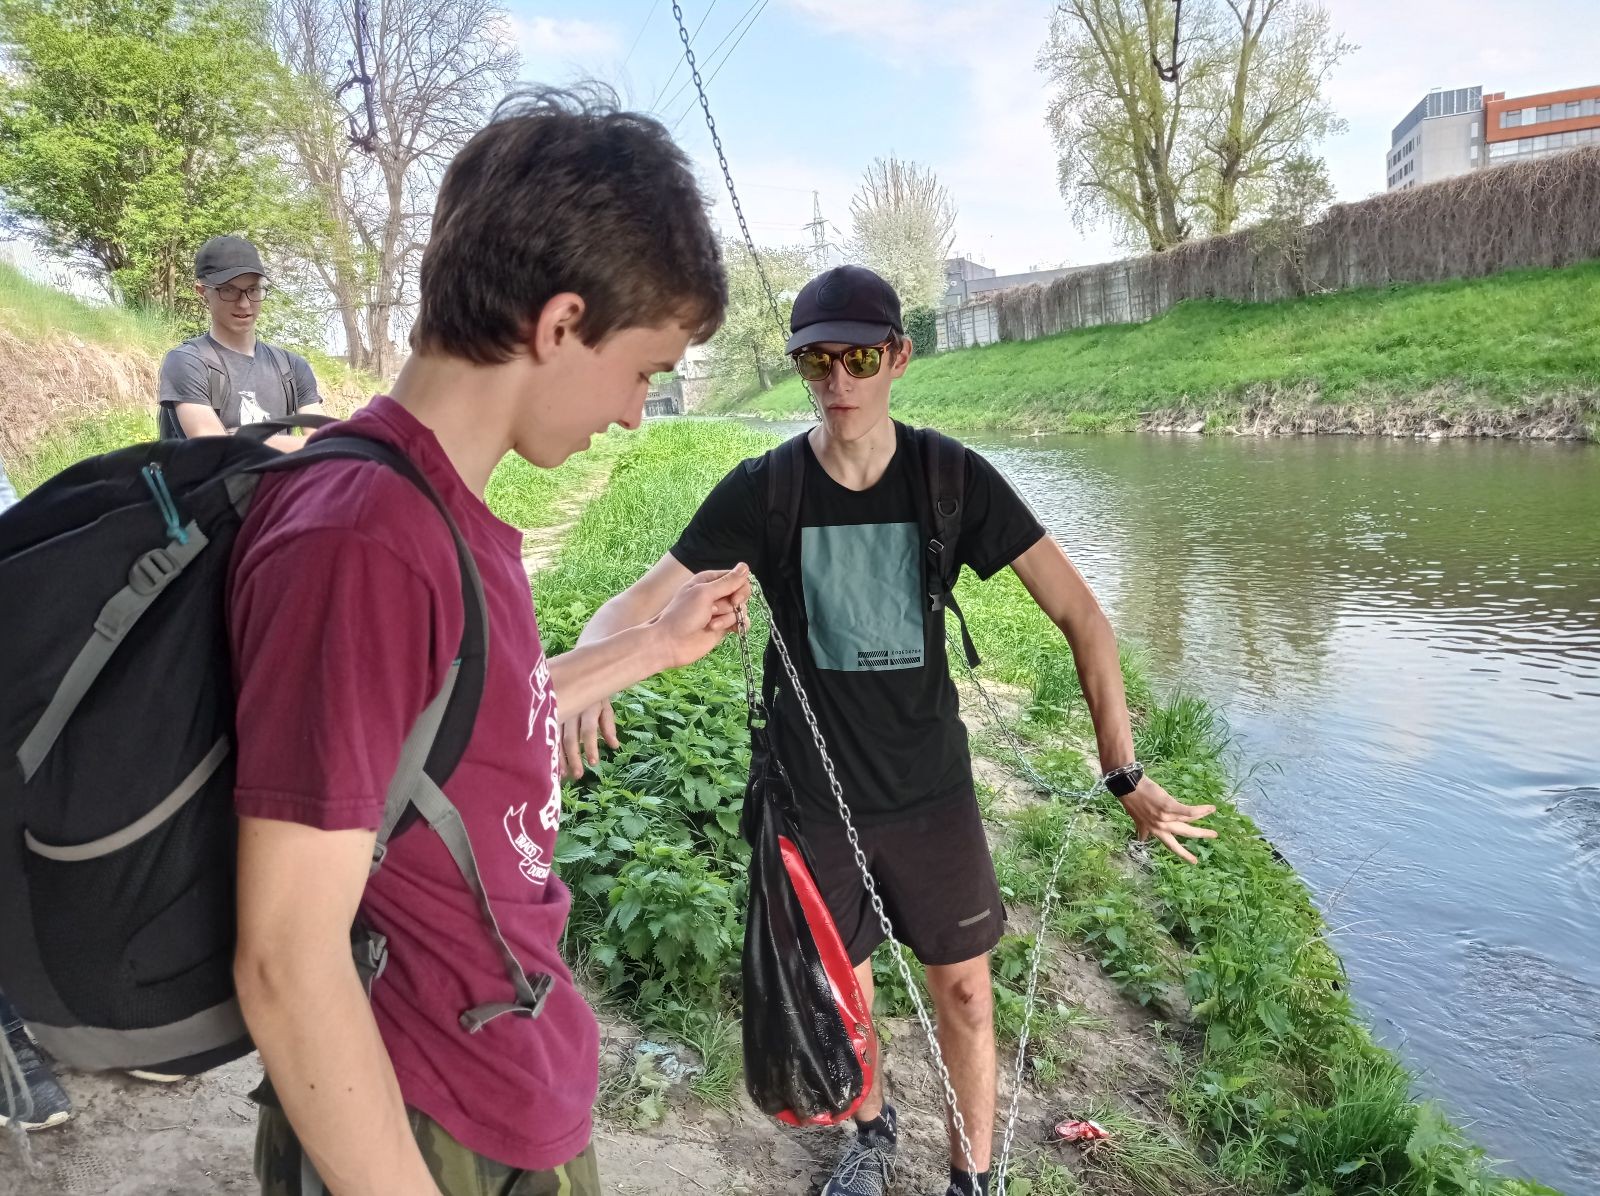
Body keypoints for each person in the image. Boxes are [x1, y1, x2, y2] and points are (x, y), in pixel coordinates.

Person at [569, 264, 1218, 1196]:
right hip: (813, 797)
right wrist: (590, 669)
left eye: (860, 358)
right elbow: (634, 601)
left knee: (967, 993)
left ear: (899, 358)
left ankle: (971, 1177)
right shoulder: (767, 490)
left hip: (930, 795)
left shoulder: (950, 478)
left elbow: (1083, 615)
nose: (838, 381)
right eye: (816, 362)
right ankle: (870, 1135)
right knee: (849, 990)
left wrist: (1123, 771)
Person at [227, 87, 739, 1196]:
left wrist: (652, 645)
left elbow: (461, 724)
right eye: (643, 371)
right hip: (424, 1116)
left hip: (505, 1079)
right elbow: (285, 960)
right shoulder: (362, 542)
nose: (635, 413)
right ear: (559, 325)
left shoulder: (431, 511)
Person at [157, 235, 322, 451]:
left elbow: (329, 445)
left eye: (252, 290)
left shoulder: (292, 367)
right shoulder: (187, 362)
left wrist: (243, 439)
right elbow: (217, 450)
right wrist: (300, 445)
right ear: (202, 292)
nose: (244, 304)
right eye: (229, 290)